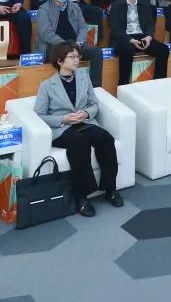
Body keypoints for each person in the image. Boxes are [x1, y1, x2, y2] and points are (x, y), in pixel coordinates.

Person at [34, 43, 123, 218]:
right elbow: (40, 115)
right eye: (72, 57)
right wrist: (63, 118)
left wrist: (86, 113)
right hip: (62, 129)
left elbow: (94, 103)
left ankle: (110, 189)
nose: (77, 60)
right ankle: (81, 196)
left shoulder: (84, 77)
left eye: (78, 56)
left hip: (84, 123)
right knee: (80, 143)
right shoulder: (46, 85)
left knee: (105, 138)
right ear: (60, 61)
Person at [36, 0, 105, 86]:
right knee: (67, 56)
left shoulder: (74, 6)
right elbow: (45, 33)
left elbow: (83, 27)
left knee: (96, 52)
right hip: (55, 46)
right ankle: (67, 87)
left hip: (75, 45)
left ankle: (95, 88)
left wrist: (79, 43)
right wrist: (65, 45)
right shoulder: (44, 9)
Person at [109, 0, 170, 83]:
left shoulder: (144, 4)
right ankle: (123, 84)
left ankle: (158, 83)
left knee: (163, 49)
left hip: (141, 36)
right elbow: (115, 30)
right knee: (127, 50)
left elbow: (150, 24)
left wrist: (148, 37)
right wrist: (131, 40)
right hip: (124, 38)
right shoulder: (116, 5)